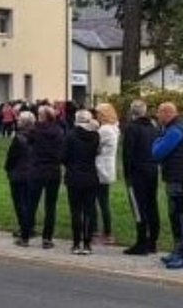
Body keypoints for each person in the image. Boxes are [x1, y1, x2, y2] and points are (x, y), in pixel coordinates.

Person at [152, 102, 183, 270]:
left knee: (179, 217)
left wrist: (158, 140)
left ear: (167, 113)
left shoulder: (175, 131)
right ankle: (177, 250)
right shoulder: (176, 128)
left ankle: (181, 254)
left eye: (159, 113)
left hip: (178, 178)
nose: (157, 116)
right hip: (177, 176)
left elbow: (156, 152)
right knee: (175, 215)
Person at [122, 100, 160, 255]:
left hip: (137, 171)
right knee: (152, 205)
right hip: (152, 169)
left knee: (138, 206)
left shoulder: (132, 128)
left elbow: (128, 153)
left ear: (132, 112)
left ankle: (141, 242)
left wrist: (127, 173)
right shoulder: (153, 127)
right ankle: (153, 241)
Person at [26, 105, 66, 249]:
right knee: (50, 206)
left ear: (42, 117)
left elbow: (28, 143)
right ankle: (47, 238)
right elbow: (62, 151)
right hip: (53, 171)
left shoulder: (35, 131)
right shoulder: (59, 131)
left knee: (32, 204)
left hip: (37, 169)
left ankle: (25, 236)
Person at [63, 110, 100, 255]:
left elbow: (63, 156)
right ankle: (87, 243)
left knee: (76, 211)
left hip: (74, 176)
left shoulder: (70, 135)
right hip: (91, 176)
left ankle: (76, 243)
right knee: (89, 211)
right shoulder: (95, 136)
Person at [6, 111, 35, 245]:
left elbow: (11, 157)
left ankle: (25, 233)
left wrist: (8, 168)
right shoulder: (36, 136)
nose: (17, 122)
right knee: (29, 204)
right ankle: (29, 228)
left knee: (20, 205)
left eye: (19, 120)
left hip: (18, 174)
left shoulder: (18, 139)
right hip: (32, 173)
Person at [93, 103, 119, 244]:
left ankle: (103, 231)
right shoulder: (114, 128)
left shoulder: (104, 130)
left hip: (100, 166)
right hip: (107, 165)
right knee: (103, 200)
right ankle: (104, 231)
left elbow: (95, 146)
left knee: (100, 201)